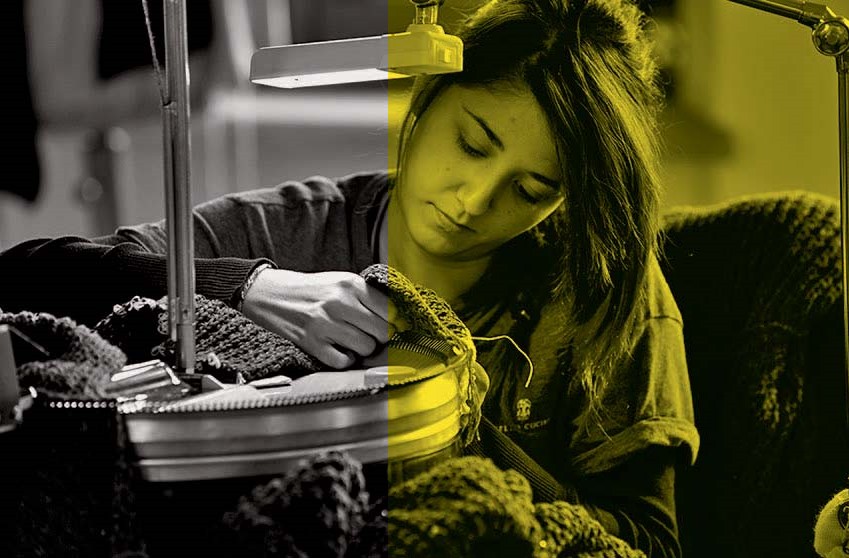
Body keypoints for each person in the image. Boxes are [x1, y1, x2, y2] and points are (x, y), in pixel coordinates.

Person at [0, 0, 699, 555]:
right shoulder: (289, 230)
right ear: (428, 94)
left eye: (531, 188)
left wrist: (449, 423)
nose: (475, 200)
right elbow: (26, 275)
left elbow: (646, 541)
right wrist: (246, 286)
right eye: (471, 143)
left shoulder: (600, 289)